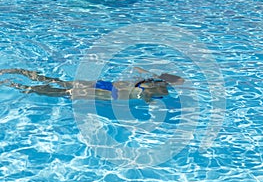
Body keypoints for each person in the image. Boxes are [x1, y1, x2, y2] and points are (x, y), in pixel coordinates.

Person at [0, 68, 184, 102]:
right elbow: (146, 98)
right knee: (66, 92)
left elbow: (134, 73)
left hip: (107, 84)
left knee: (56, 81)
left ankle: (15, 72)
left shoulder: (150, 80)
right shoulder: (163, 92)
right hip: (109, 93)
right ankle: (17, 85)